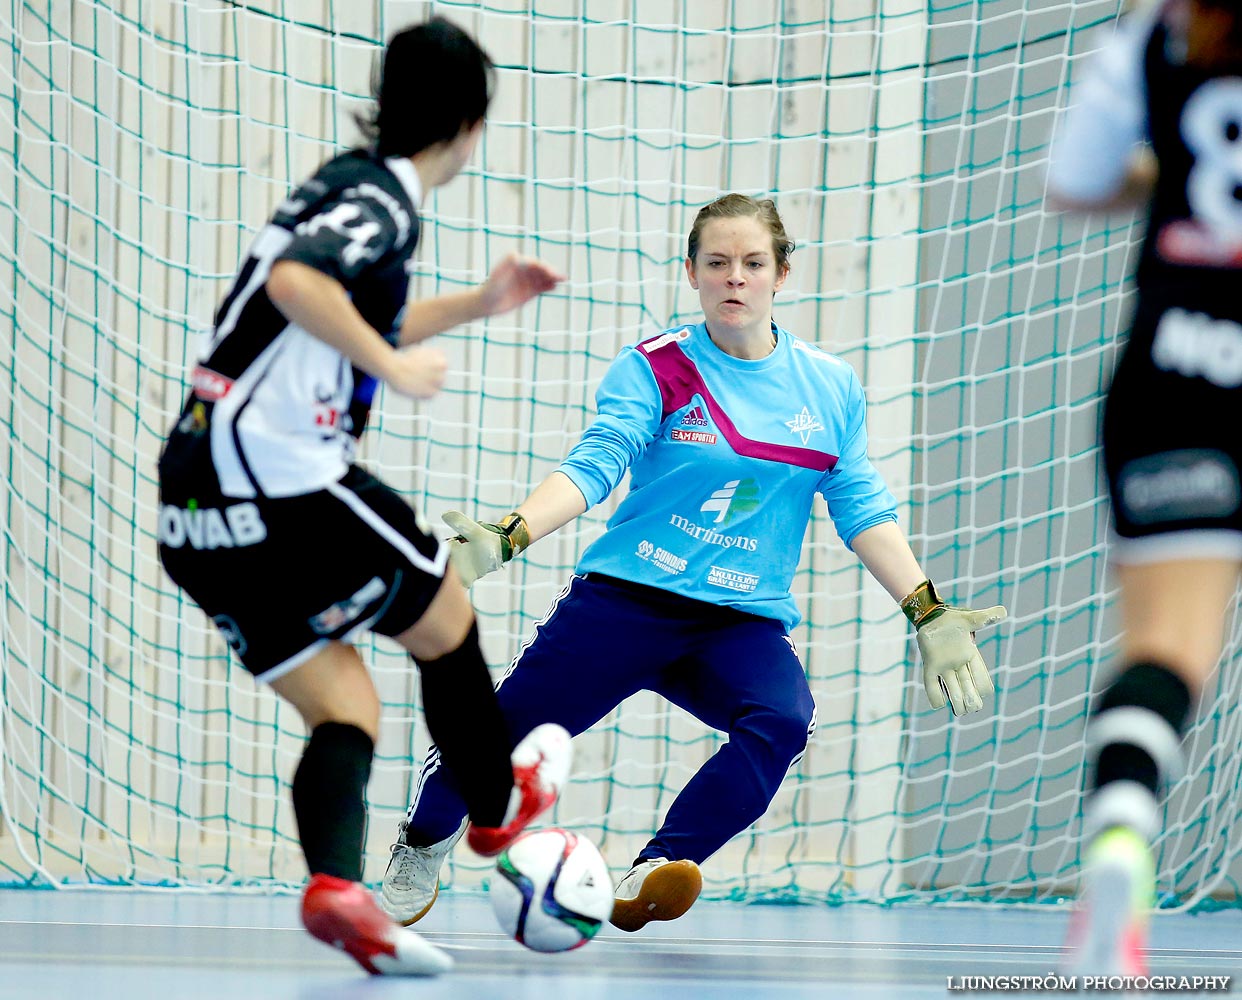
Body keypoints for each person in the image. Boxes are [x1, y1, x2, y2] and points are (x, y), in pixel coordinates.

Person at [379, 192, 1007, 932]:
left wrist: (925, 609)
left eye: (751, 263)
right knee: (491, 744)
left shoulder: (830, 388)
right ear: (692, 273)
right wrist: (512, 532)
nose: (734, 278)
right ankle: (422, 842)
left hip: (736, 622)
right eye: (717, 263)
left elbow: (861, 505)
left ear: (782, 274)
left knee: (784, 720)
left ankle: (655, 868)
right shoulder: (660, 367)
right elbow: (598, 462)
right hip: (626, 602)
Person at [156, 17, 572, 977]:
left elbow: (330, 297)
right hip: (276, 475)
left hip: (193, 503)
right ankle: (500, 812)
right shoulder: (384, 199)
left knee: (346, 706)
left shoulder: (342, 185)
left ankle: (341, 892)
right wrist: (391, 363)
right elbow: (305, 285)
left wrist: (478, 302)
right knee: (445, 609)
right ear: (470, 122)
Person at [1046, 0, 1242, 977]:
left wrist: (1161, 173)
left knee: (1168, 649)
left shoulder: (1155, 36)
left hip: (1175, 377)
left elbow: (1073, 181)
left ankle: (1123, 826)